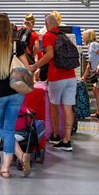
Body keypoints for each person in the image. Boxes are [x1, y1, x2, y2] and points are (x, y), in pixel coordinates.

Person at [0, 13, 32, 179]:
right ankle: (21, 156)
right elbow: (28, 68)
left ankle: (6, 167)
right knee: (9, 128)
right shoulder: (17, 45)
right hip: (16, 91)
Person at [34, 13, 76, 151]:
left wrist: (34, 66)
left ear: (46, 25)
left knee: (54, 106)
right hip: (71, 76)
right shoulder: (64, 36)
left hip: (57, 77)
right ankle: (67, 140)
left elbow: (50, 55)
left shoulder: (47, 36)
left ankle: (56, 135)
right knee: (68, 107)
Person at [80, 29, 99, 123]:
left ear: (88, 37)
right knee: (95, 90)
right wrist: (84, 77)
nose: (82, 38)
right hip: (97, 73)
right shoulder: (90, 47)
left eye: (84, 36)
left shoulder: (94, 45)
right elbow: (89, 64)